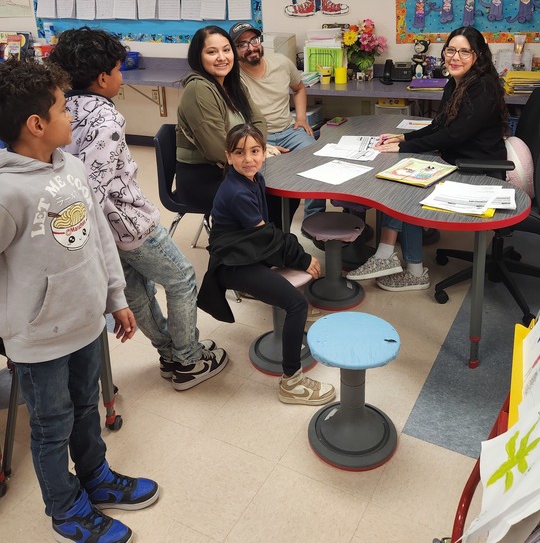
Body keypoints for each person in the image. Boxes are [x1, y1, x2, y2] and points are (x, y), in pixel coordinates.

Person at [0, 58, 159, 543]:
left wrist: (115, 296)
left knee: (87, 408)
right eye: (63, 109)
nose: (72, 116)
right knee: (52, 427)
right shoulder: (7, 192)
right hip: (39, 340)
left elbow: (99, 239)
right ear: (36, 124)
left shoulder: (71, 165)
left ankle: (96, 477)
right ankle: (65, 508)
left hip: (86, 323)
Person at [49, 27, 228, 391]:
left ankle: (171, 352)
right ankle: (189, 360)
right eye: (118, 70)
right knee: (181, 279)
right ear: (103, 78)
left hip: (104, 231)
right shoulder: (106, 119)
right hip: (129, 225)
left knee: (138, 291)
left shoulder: (63, 108)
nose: (121, 76)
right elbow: (93, 189)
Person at [347, 26, 508, 291]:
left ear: (478, 55)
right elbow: (438, 126)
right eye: (451, 50)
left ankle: (400, 263)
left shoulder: (483, 88)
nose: (455, 57)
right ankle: (396, 260)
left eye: (464, 52)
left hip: (477, 169)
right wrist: (403, 138)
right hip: (456, 159)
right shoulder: (456, 82)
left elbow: (453, 135)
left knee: (407, 185)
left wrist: (403, 148)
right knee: (402, 173)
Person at [197, 123, 336, 406]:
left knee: (287, 274)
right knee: (296, 304)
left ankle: (287, 321)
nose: (248, 159)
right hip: (232, 263)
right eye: (239, 153)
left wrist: (292, 253)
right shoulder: (237, 192)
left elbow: (264, 235)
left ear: (264, 152)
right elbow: (266, 236)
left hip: (246, 250)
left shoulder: (254, 179)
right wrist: (303, 257)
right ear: (228, 157)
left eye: (254, 151)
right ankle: (291, 383)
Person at [231, 21, 325, 218]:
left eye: (254, 40)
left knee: (317, 161)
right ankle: (266, 223)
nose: (251, 47)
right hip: (255, 137)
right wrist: (257, 145)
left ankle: (314, 218)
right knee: (267, 176)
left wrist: (301, 118)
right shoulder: (232, 76)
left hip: (289, 131)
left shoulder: (281, 63)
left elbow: (299, 88)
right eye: (242, 44)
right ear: (234, 50)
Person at [175, 25, 267, 211]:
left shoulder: (234, 84)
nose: (222, 57)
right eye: (212, 52)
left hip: (234, 167)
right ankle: (259, 230)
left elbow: (259, 123)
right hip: (204, 177)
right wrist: (253, 153)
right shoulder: (198, 89)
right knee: (272, 196)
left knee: (281, 191)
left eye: (226, 50)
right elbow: (216, 148)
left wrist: (253, 152)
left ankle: (268, 230)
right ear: (198, 57)